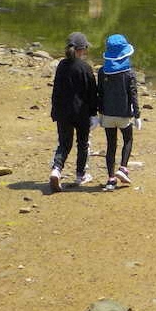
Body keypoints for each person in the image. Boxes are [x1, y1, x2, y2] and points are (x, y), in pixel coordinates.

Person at [49, 31, 98, 192]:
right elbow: (92, 93)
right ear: (82, 49)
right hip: (81, 113)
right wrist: (94, 113)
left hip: (62, 112)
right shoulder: (85, 68)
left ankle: (56, 169)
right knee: (82, 144)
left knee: (64, 143)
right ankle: (80, 175)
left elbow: (56, 90)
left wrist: (54, 111)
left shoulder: (61, 66)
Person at [97, 34, 141, 191]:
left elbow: (100, 93)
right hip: (123, 115)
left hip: (107, 115)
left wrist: (99, 114)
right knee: (128, 139)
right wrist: (137, 115)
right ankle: (123, 168)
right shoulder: (129, 73)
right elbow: (133, 95)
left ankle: (110, 179)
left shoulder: (102, 72)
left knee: (111, 145)